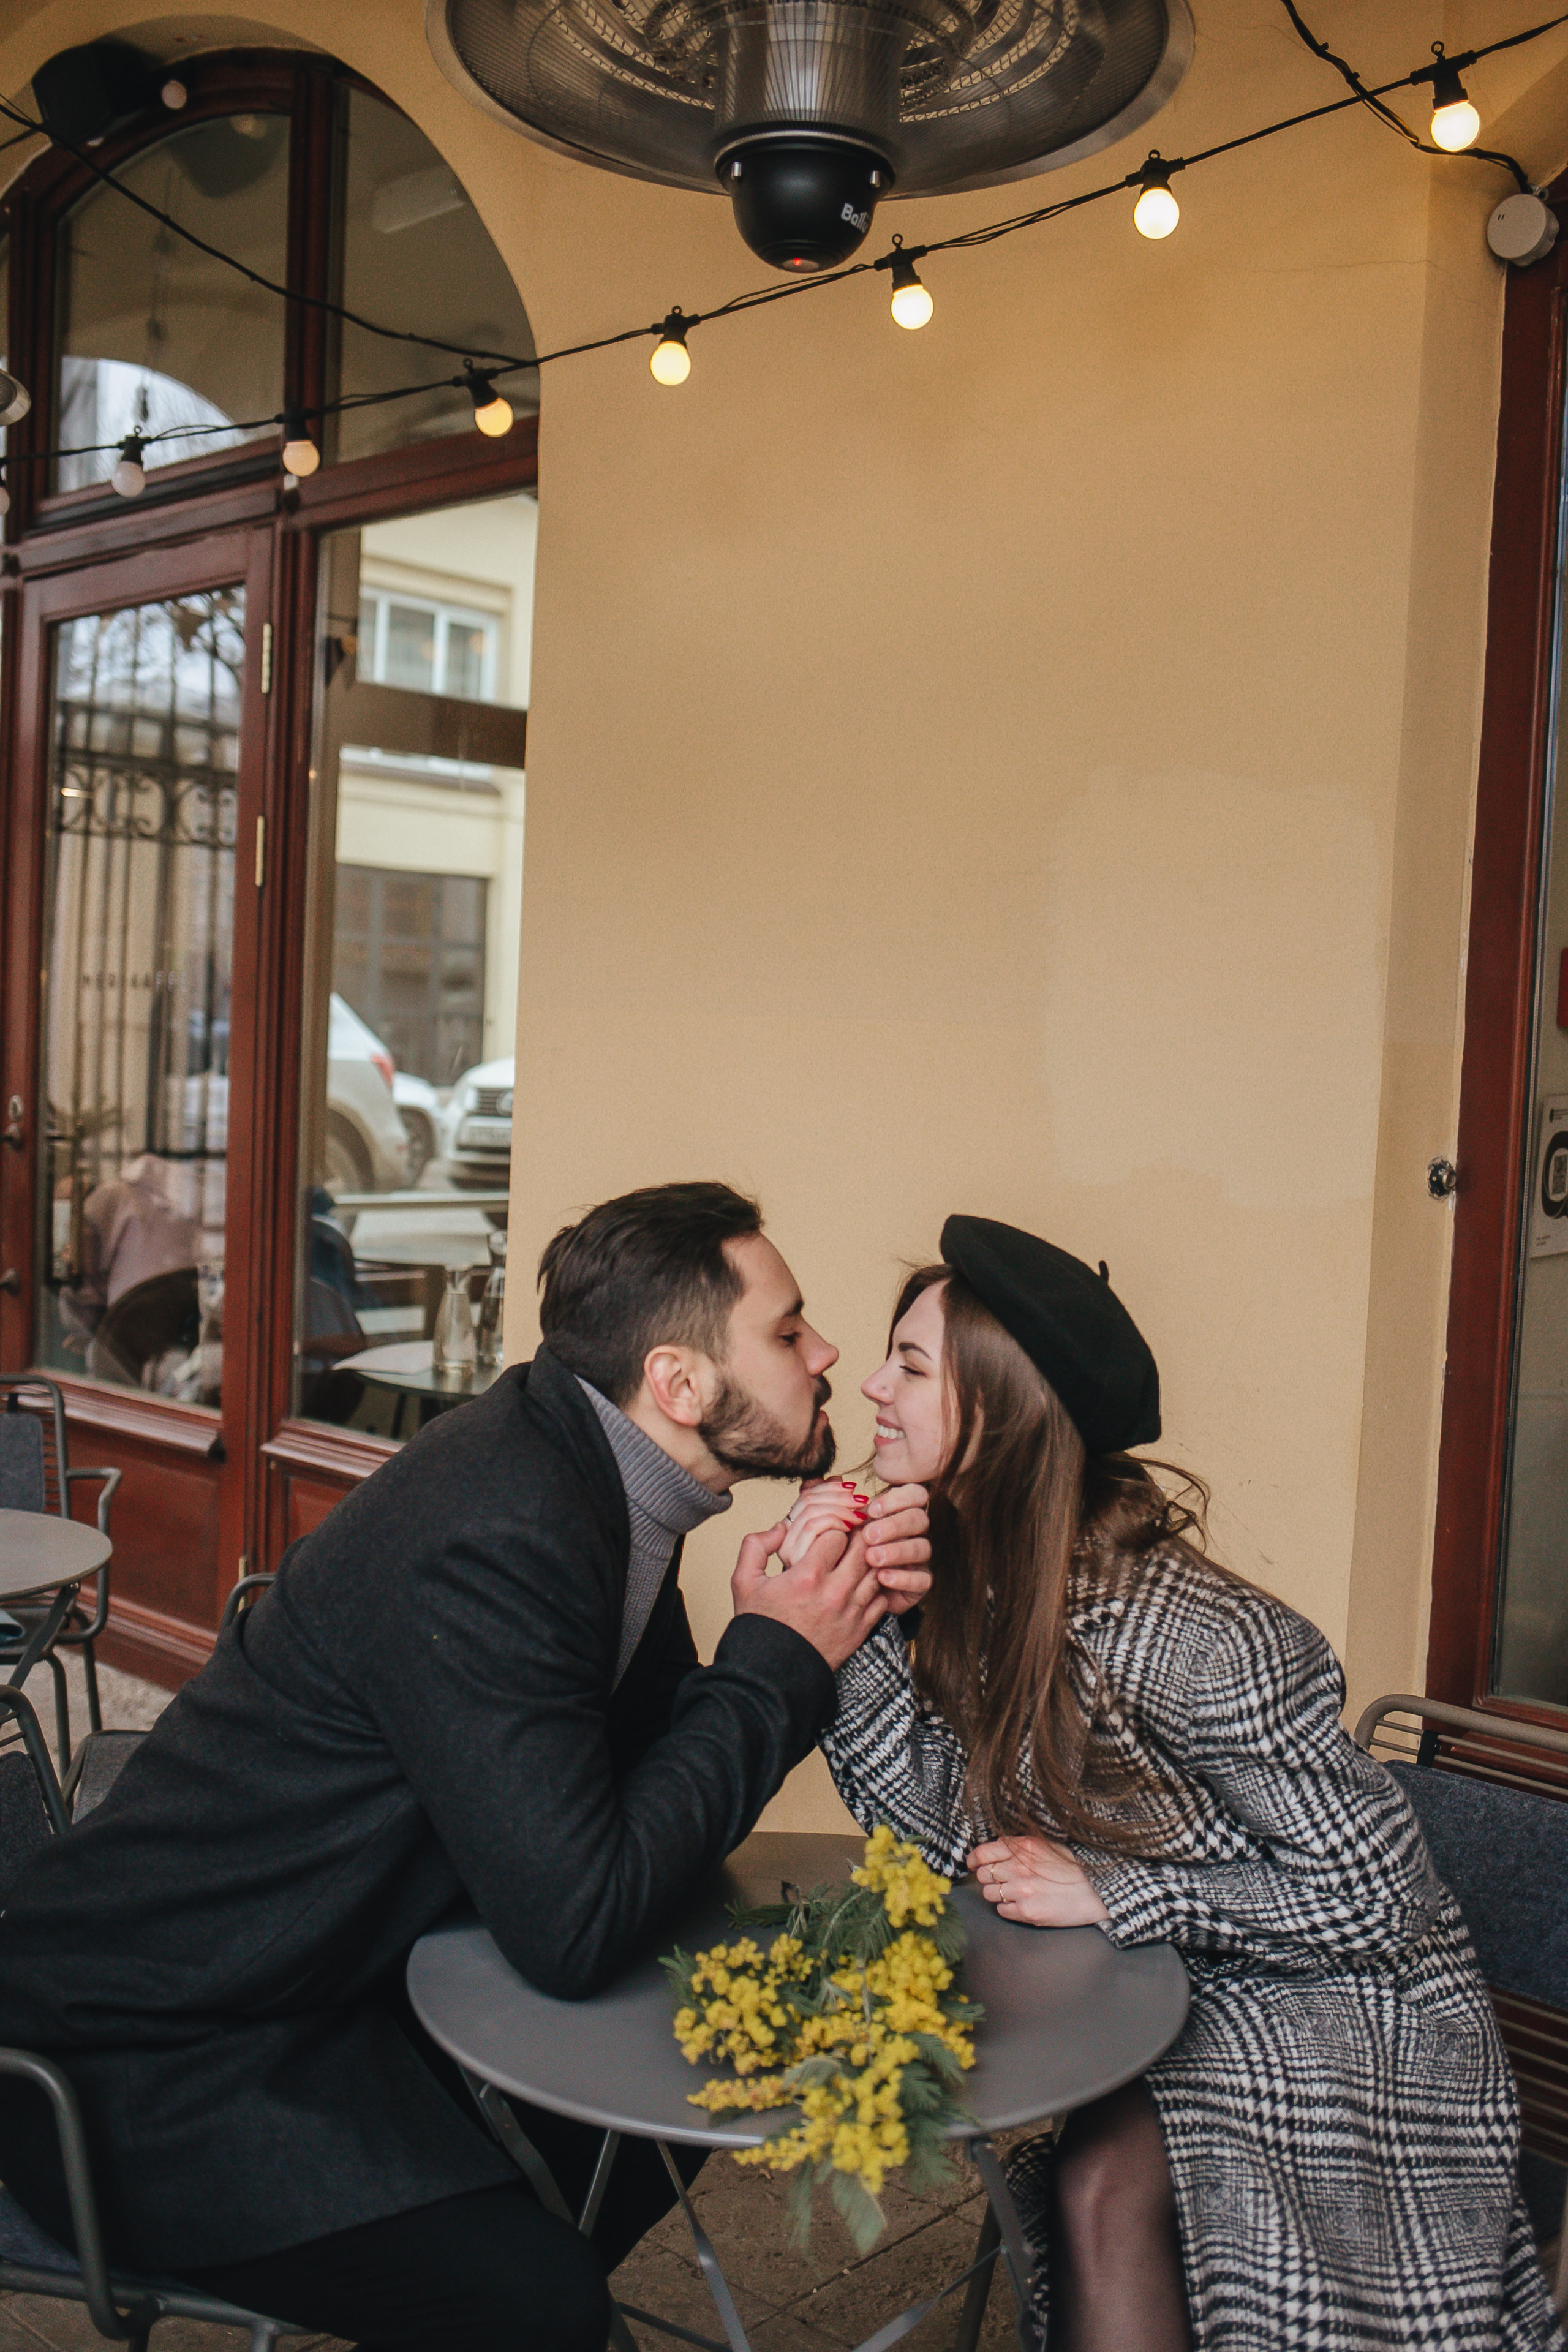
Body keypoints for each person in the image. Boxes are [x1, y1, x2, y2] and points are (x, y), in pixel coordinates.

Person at [0, 1181, 933, 2352]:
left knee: (687, 2081)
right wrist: (774, 1658)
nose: (826, 1350)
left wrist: (772, 1624)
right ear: (680, 1384)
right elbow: (577, 1918)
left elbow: (632, 1805)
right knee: (530, 2296)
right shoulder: (506, 1527)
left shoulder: (595, 1480)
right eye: (788, 1329)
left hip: (332, 1977)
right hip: (151, 2045)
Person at [816, 1215, 1566, 2352]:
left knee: (1100, 2190)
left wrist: (1117, 1895)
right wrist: (843, 1620)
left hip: (1344, 2010)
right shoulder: (986, 1587)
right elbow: (944, 1837)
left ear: (1005, 1407)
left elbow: (1381, 1900)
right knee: (1099, 2188)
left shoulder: (1204, 1637)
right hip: (1179, 1975)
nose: (872, 1384)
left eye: (912, 1365)